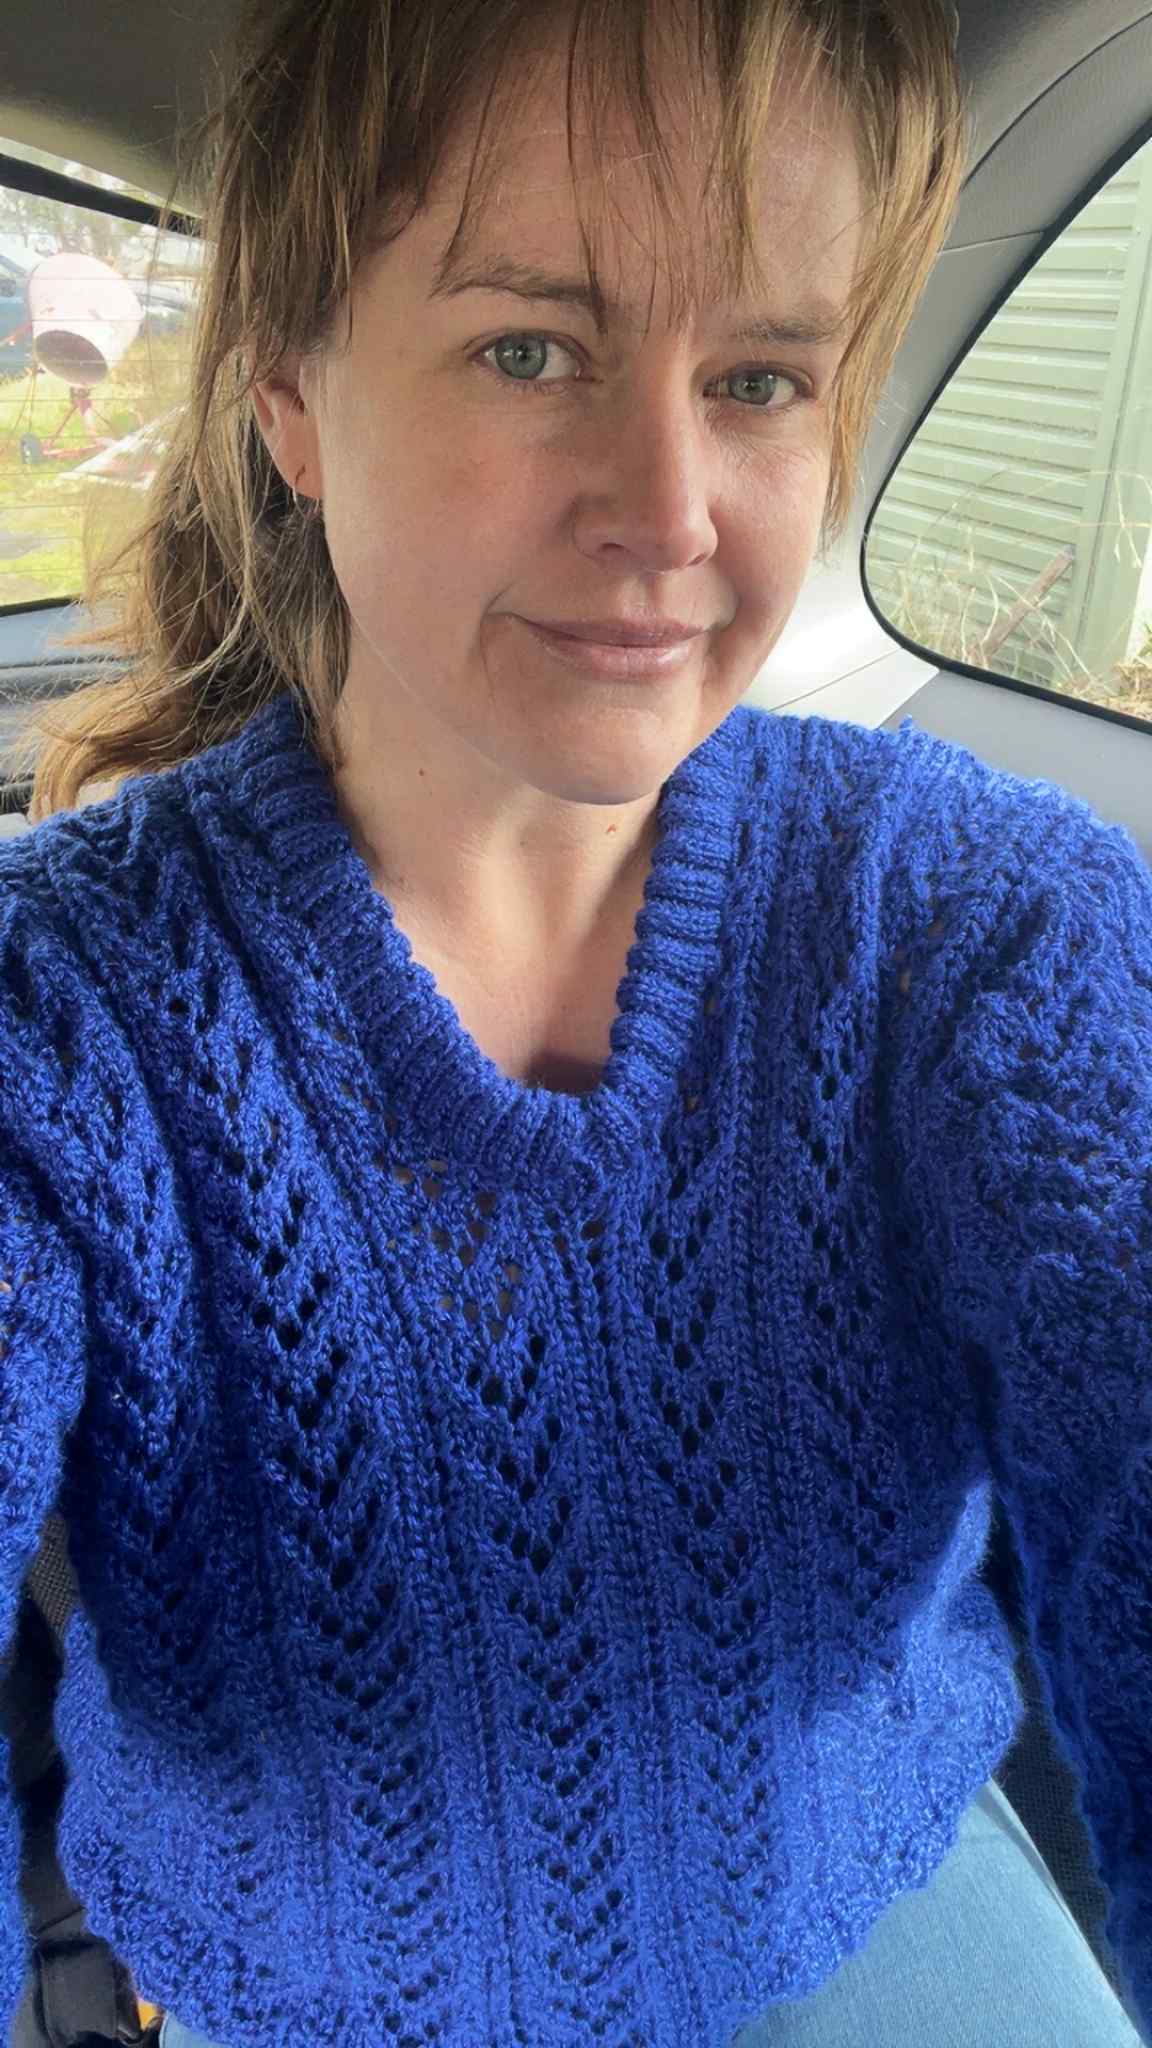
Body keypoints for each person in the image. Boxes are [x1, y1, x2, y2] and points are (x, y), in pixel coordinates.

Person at [0, 0, 1149, 2043]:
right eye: (533, 349)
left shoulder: (979, 928)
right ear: (290, 396)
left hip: (868, 1900)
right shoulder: (58, 1009)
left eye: (759, 379)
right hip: (309, 1994)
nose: (671, 507)